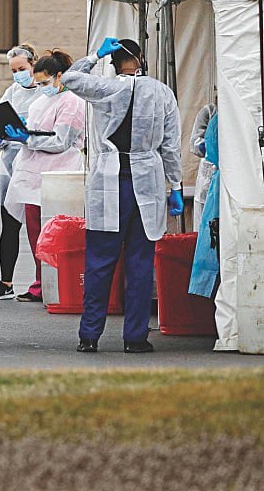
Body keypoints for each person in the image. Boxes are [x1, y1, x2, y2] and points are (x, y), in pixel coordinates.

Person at [61, 37, 182, 354]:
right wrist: (176, 186)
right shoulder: (161, 92)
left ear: (111, 61)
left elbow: (70, 78)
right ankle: (135, 337)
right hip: (147, 183)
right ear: (141, 58)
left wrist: (93, 56)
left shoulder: (105, 88)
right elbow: (170, 145)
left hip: (109, 183)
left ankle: (89, 336)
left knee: (100, 262)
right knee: (140, 264)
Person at [1, 49, 86, 302]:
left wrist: (28, 139)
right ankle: (42, 282)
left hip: (59, 174)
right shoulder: (40, 101)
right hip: (33, 176)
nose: (41, 87)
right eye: (38, 84)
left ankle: (59, 283)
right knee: (36, 234)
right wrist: (16, 135)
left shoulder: (72, 102)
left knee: (56, 234)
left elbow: (62, 141)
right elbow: (33, 132)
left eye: (46, 83)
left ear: (60, 76)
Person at [0, 43, 42, 301]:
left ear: (33, 65)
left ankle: (43, 282)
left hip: (33, 164)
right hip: (10, 163)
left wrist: (27, 133)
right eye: (14, 70)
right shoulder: (12, 92)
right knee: (9, 225)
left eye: (22, 68)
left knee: (37, 227)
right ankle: (6, 281)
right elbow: (0, 120)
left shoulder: (44, 94)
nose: (18, 74)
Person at [190, 102, 217, 233]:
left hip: (236, 176)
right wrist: (209, 146)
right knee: (206, 225)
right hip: (210, 173)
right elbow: (195, 145)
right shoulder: (210, 111)